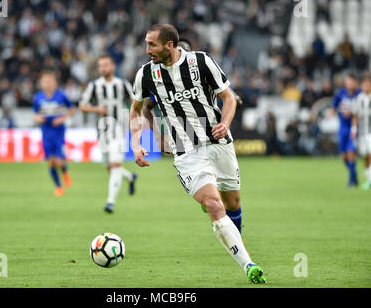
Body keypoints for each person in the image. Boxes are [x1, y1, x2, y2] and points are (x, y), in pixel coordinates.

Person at [129, 23, 266, 284]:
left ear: (170, 45)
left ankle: (236, 243)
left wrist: (225, 123)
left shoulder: (201, 62)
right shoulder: (146, 74)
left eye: (152, 44)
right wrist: (139, 142)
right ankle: (248, 264)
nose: (147, 50)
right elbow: (136, 110)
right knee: (214, 205)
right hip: (186, 151)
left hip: (218, 142)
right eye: (146, 44)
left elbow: (227, 97)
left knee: (233, 203)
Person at [143, 37, 246, 225]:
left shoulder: (201, 68)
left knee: (232, 201)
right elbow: (146, 108)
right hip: (185, 141)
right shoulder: (161, 79)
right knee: (212, 197)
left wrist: (231, 107)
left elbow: (230, 96)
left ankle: (236, 238)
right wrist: (158, 136)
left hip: (212, 135)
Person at [80, 55, 137, 213]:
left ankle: (110, 202)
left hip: (118, 129)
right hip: (102, 130)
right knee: (109, 167)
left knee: (115, 165)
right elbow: (82, 106)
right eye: (100, 66)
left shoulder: (122, 84)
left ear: (112, 66)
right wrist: (96, 109)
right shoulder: (94, 86)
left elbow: (135, 102)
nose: (103, 68)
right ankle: (131, 178)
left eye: (106, 65)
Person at [32, 71, 75, 197]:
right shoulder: (38, 98)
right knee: (50, 162)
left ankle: (65, 171)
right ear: (41, 83)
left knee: (59, 161)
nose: (47, 84)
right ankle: (59, 187)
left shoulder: (61, 96)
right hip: (46, 132)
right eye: (45, 81)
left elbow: (72, 108)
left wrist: (62, 119)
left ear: (55, 83)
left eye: (50, 81)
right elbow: (35, 113)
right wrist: (38, 119)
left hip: (58, 132)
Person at [327, 74, 361, 187]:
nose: (350, 84)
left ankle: (351, 181)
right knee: (344, 156)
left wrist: (351, 113)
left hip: (354, 128)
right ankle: (354, 176)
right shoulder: (340, 93)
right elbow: (334, 105)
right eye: (348, 82)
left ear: (355, 82)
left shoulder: (359, 95)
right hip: (342, 128)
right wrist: (331, 112)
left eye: (352, 82)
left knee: (351, 153)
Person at [351, 76, 371, 190]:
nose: (366, 87)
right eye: (364, 84)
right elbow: (355, 115)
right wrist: (354, 129)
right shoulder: (359, 99)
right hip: (362, 132)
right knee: (365, 156)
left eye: (368, 84)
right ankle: (369, 181)